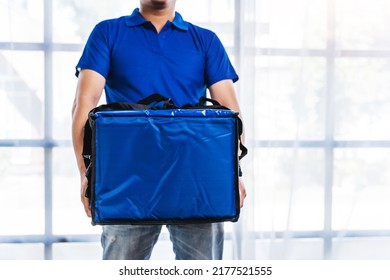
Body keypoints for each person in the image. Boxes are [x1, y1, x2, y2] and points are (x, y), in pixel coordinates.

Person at [71, 0, 246, 260]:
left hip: (196, 182)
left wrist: (233, 174)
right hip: (127, 182)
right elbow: (84, 106)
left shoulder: (205, 40)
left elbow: (230, 114)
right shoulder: (108, 32)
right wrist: (88, 177)